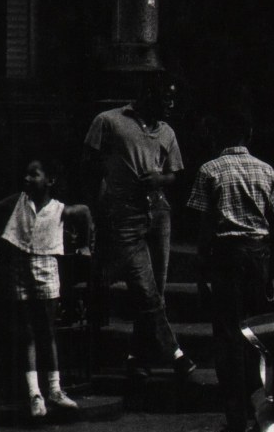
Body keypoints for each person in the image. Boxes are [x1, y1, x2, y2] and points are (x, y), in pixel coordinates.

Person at [82, 72, 194, 381]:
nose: (170, 104)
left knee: (156, 289)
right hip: (123, 213)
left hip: (159, 212)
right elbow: (87, 166)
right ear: (148, 95)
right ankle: (175, 352)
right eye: (165, 97)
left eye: (174, 98)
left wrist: (161, 179)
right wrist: (98, 208)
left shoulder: (167, 132)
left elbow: (175, 174)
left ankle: (137, 358)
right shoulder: (108, 121)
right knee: (145, 289)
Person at [186, 110, 274, 432]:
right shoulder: (266, 170)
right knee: (256, 338)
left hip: (226, 257)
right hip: (258, 254)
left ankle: (234, 422)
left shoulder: (210, 170)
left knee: (228, 339)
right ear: (250, 135)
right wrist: (272, 271)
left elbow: (205, 228)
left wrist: (201, 273)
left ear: (216, 137)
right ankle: (262, 420)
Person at [0, 158, 94, 418]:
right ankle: (34, 393)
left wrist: (85, 246)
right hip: (19, 267)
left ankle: (54, 389)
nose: (27, 179)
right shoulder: (18, 201)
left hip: (46, 266)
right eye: (26, 175)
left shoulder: (60, 209)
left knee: (47, 330)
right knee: (26, 330)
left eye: (34, 175)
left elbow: (84, 213)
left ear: (49, 180)